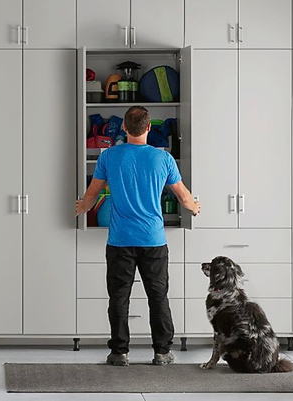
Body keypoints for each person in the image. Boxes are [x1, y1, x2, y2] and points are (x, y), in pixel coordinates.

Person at [76, 106, 201, 367]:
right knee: (158, 298)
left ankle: (119, 353)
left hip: (120, 241)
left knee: (119, 298)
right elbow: (184, 197)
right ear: (148, 128)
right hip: (153, 241)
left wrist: (82, 208)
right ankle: (162, 352)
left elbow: (92, 194)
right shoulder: (163, 158)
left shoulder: (109, 157)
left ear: (124, 127)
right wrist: (195, 207)